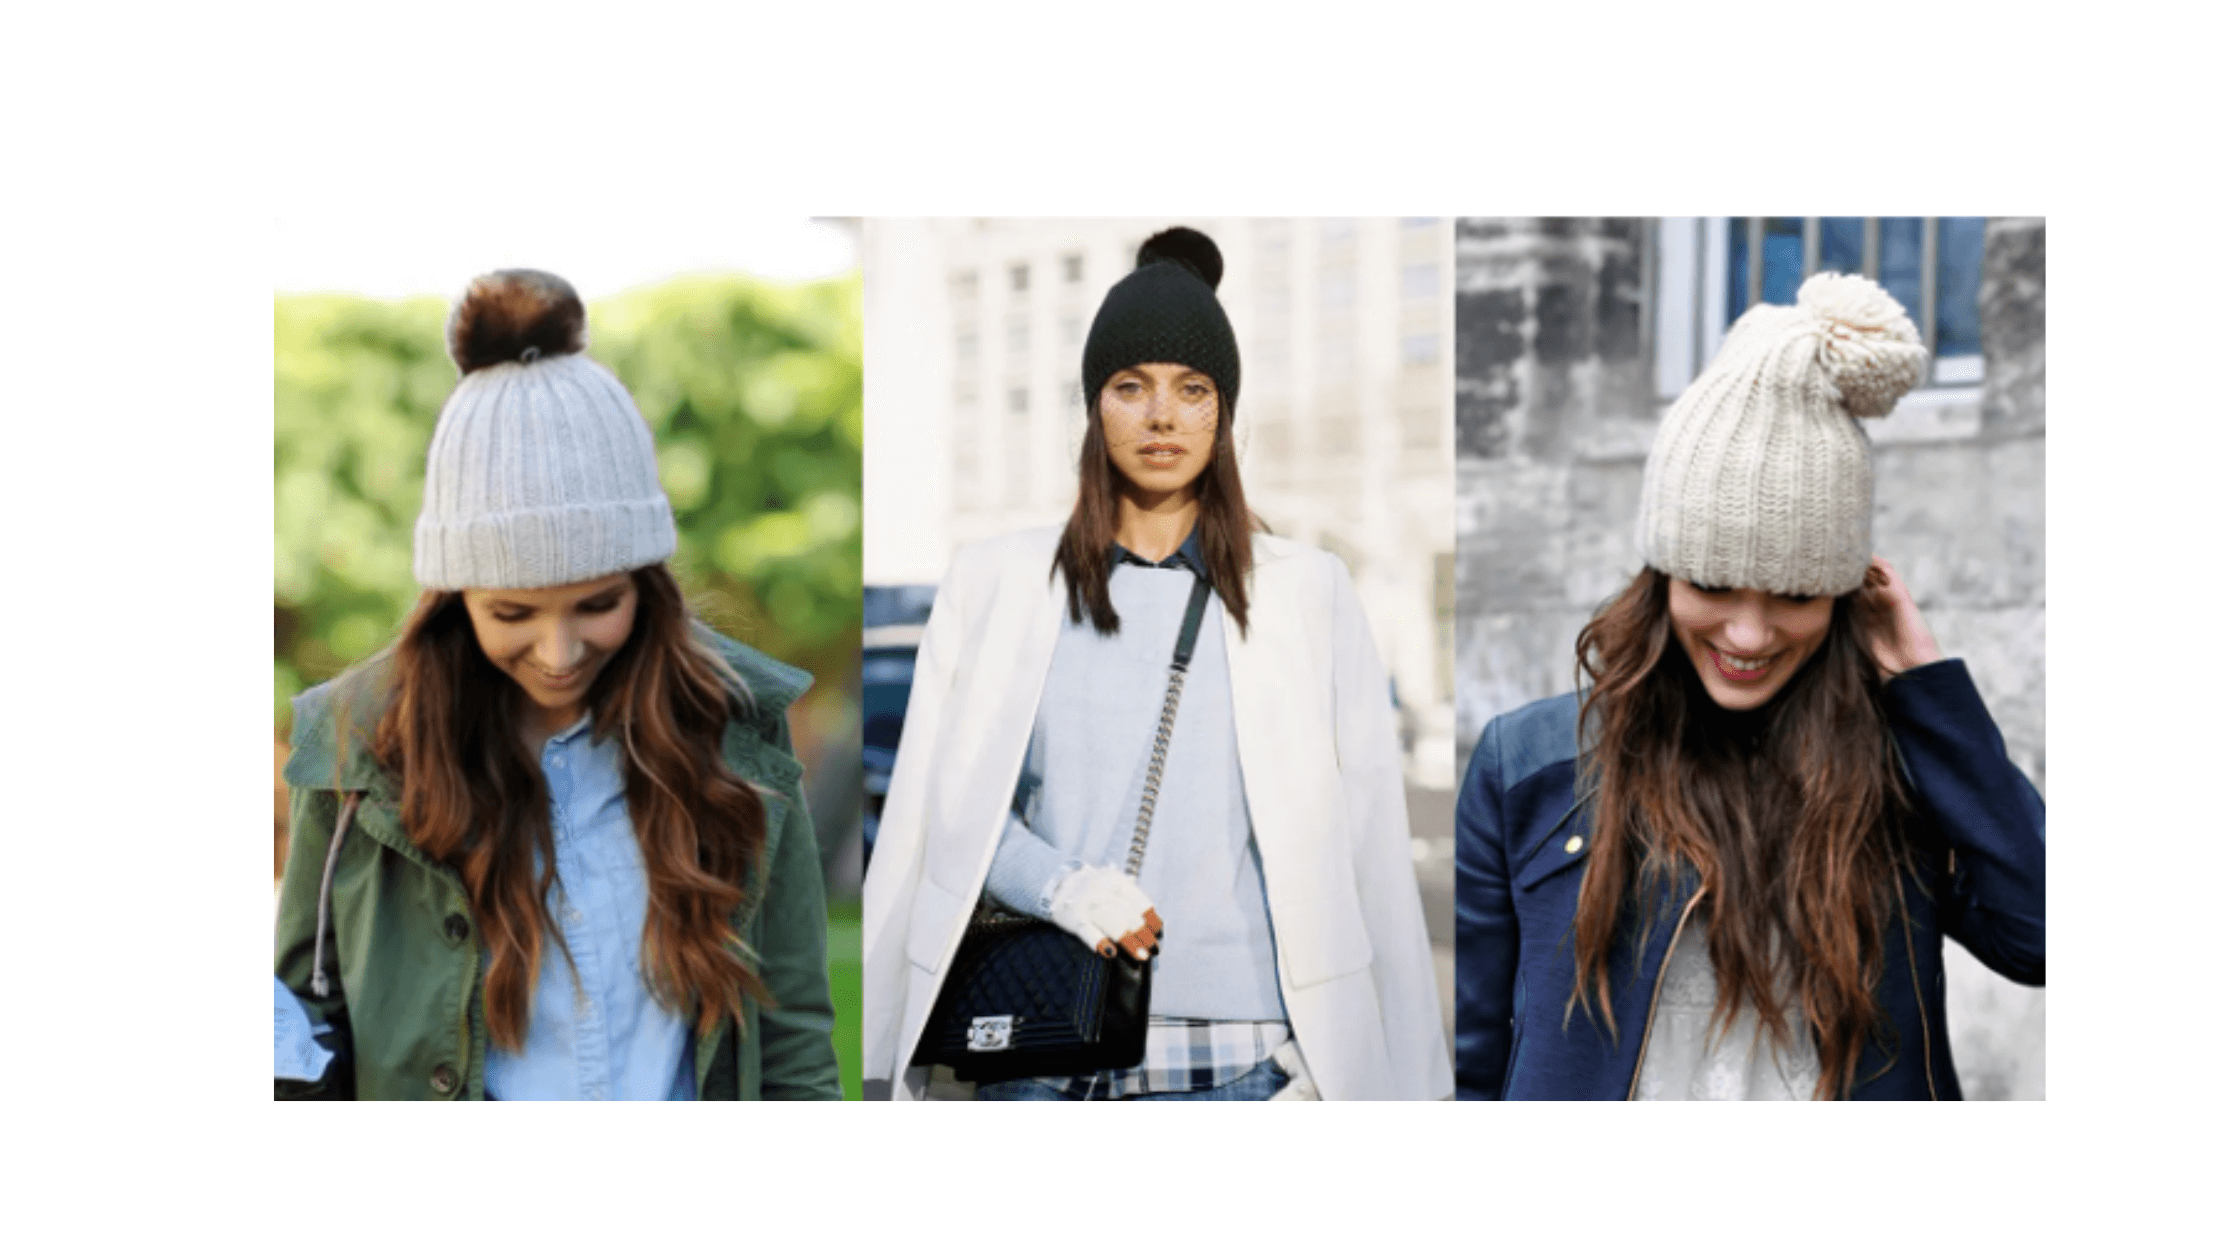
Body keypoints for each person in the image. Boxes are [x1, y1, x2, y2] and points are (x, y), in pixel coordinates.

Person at [863, 227, 1451, 1101]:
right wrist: (1062, 887)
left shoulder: (1306, 592)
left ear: (1224, 412)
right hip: (1049, 1042)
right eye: (1130, 387)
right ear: (1096, 406)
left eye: (1193, 389)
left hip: (1249, 1063)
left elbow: (1365, 840)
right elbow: (950, 811)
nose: (1162, 416)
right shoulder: (999, 583)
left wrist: (1388, 1084)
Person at [1455, 273, 2044, 1101]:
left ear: (1845, 595)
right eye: (1715, 585)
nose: (1749, 635)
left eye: (1797, 595)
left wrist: (1930, 691)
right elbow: (1475, 1055)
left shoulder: (1900, 766)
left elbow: (2043, 938)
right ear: (1661, 577)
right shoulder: (1527, 763)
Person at [273, 270, 839, 1100]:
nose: (560, 651)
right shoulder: (355, 749)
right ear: (453, 598)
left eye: (599, 604)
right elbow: (307, 1028)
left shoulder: (737, 725)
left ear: (646, 585)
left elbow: (791, 1033)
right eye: (512, 613)